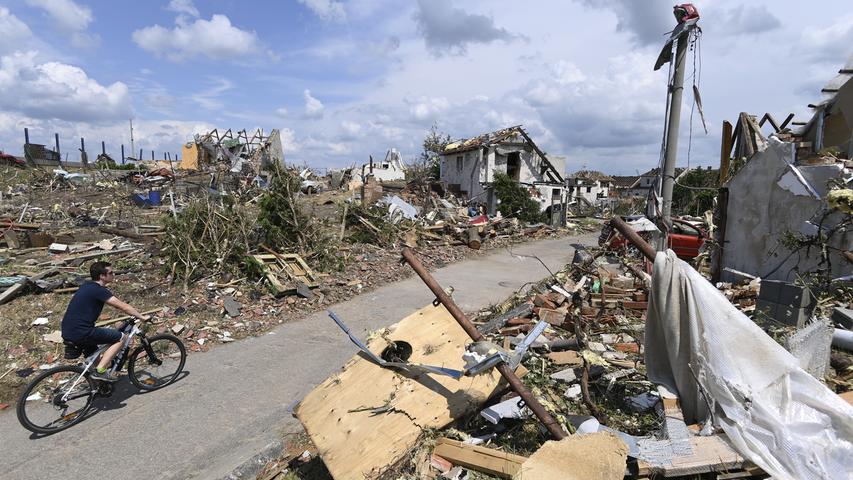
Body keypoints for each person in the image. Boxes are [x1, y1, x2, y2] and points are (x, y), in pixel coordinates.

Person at [61, 261, 150, 382]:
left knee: (95, 356)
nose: (114, 274)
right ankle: (100, 371)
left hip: (69, 330)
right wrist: (141, 317)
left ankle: (98, 382)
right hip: (82, 331)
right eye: (111, 272)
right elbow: (122, 306)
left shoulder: (87, 286)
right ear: (102, 276)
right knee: (121, 338)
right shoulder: (98, 290)